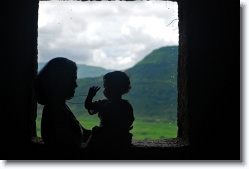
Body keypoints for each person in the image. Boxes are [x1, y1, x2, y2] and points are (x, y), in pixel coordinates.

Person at [35, 57, 91, 159]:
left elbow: (82, 132)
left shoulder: (60, 106)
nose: (76, 85)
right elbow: (72, 151)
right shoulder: (56, 112)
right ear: (60, 81)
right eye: (73, 79)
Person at [84, 71, 135, 150]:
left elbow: (88, 107)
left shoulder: (102, 103)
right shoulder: (126, 105)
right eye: (105, 86)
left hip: (103, 140)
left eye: (109, 86)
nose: (106, 89)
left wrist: (90, 96)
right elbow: (130, 120)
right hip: (122, 140)